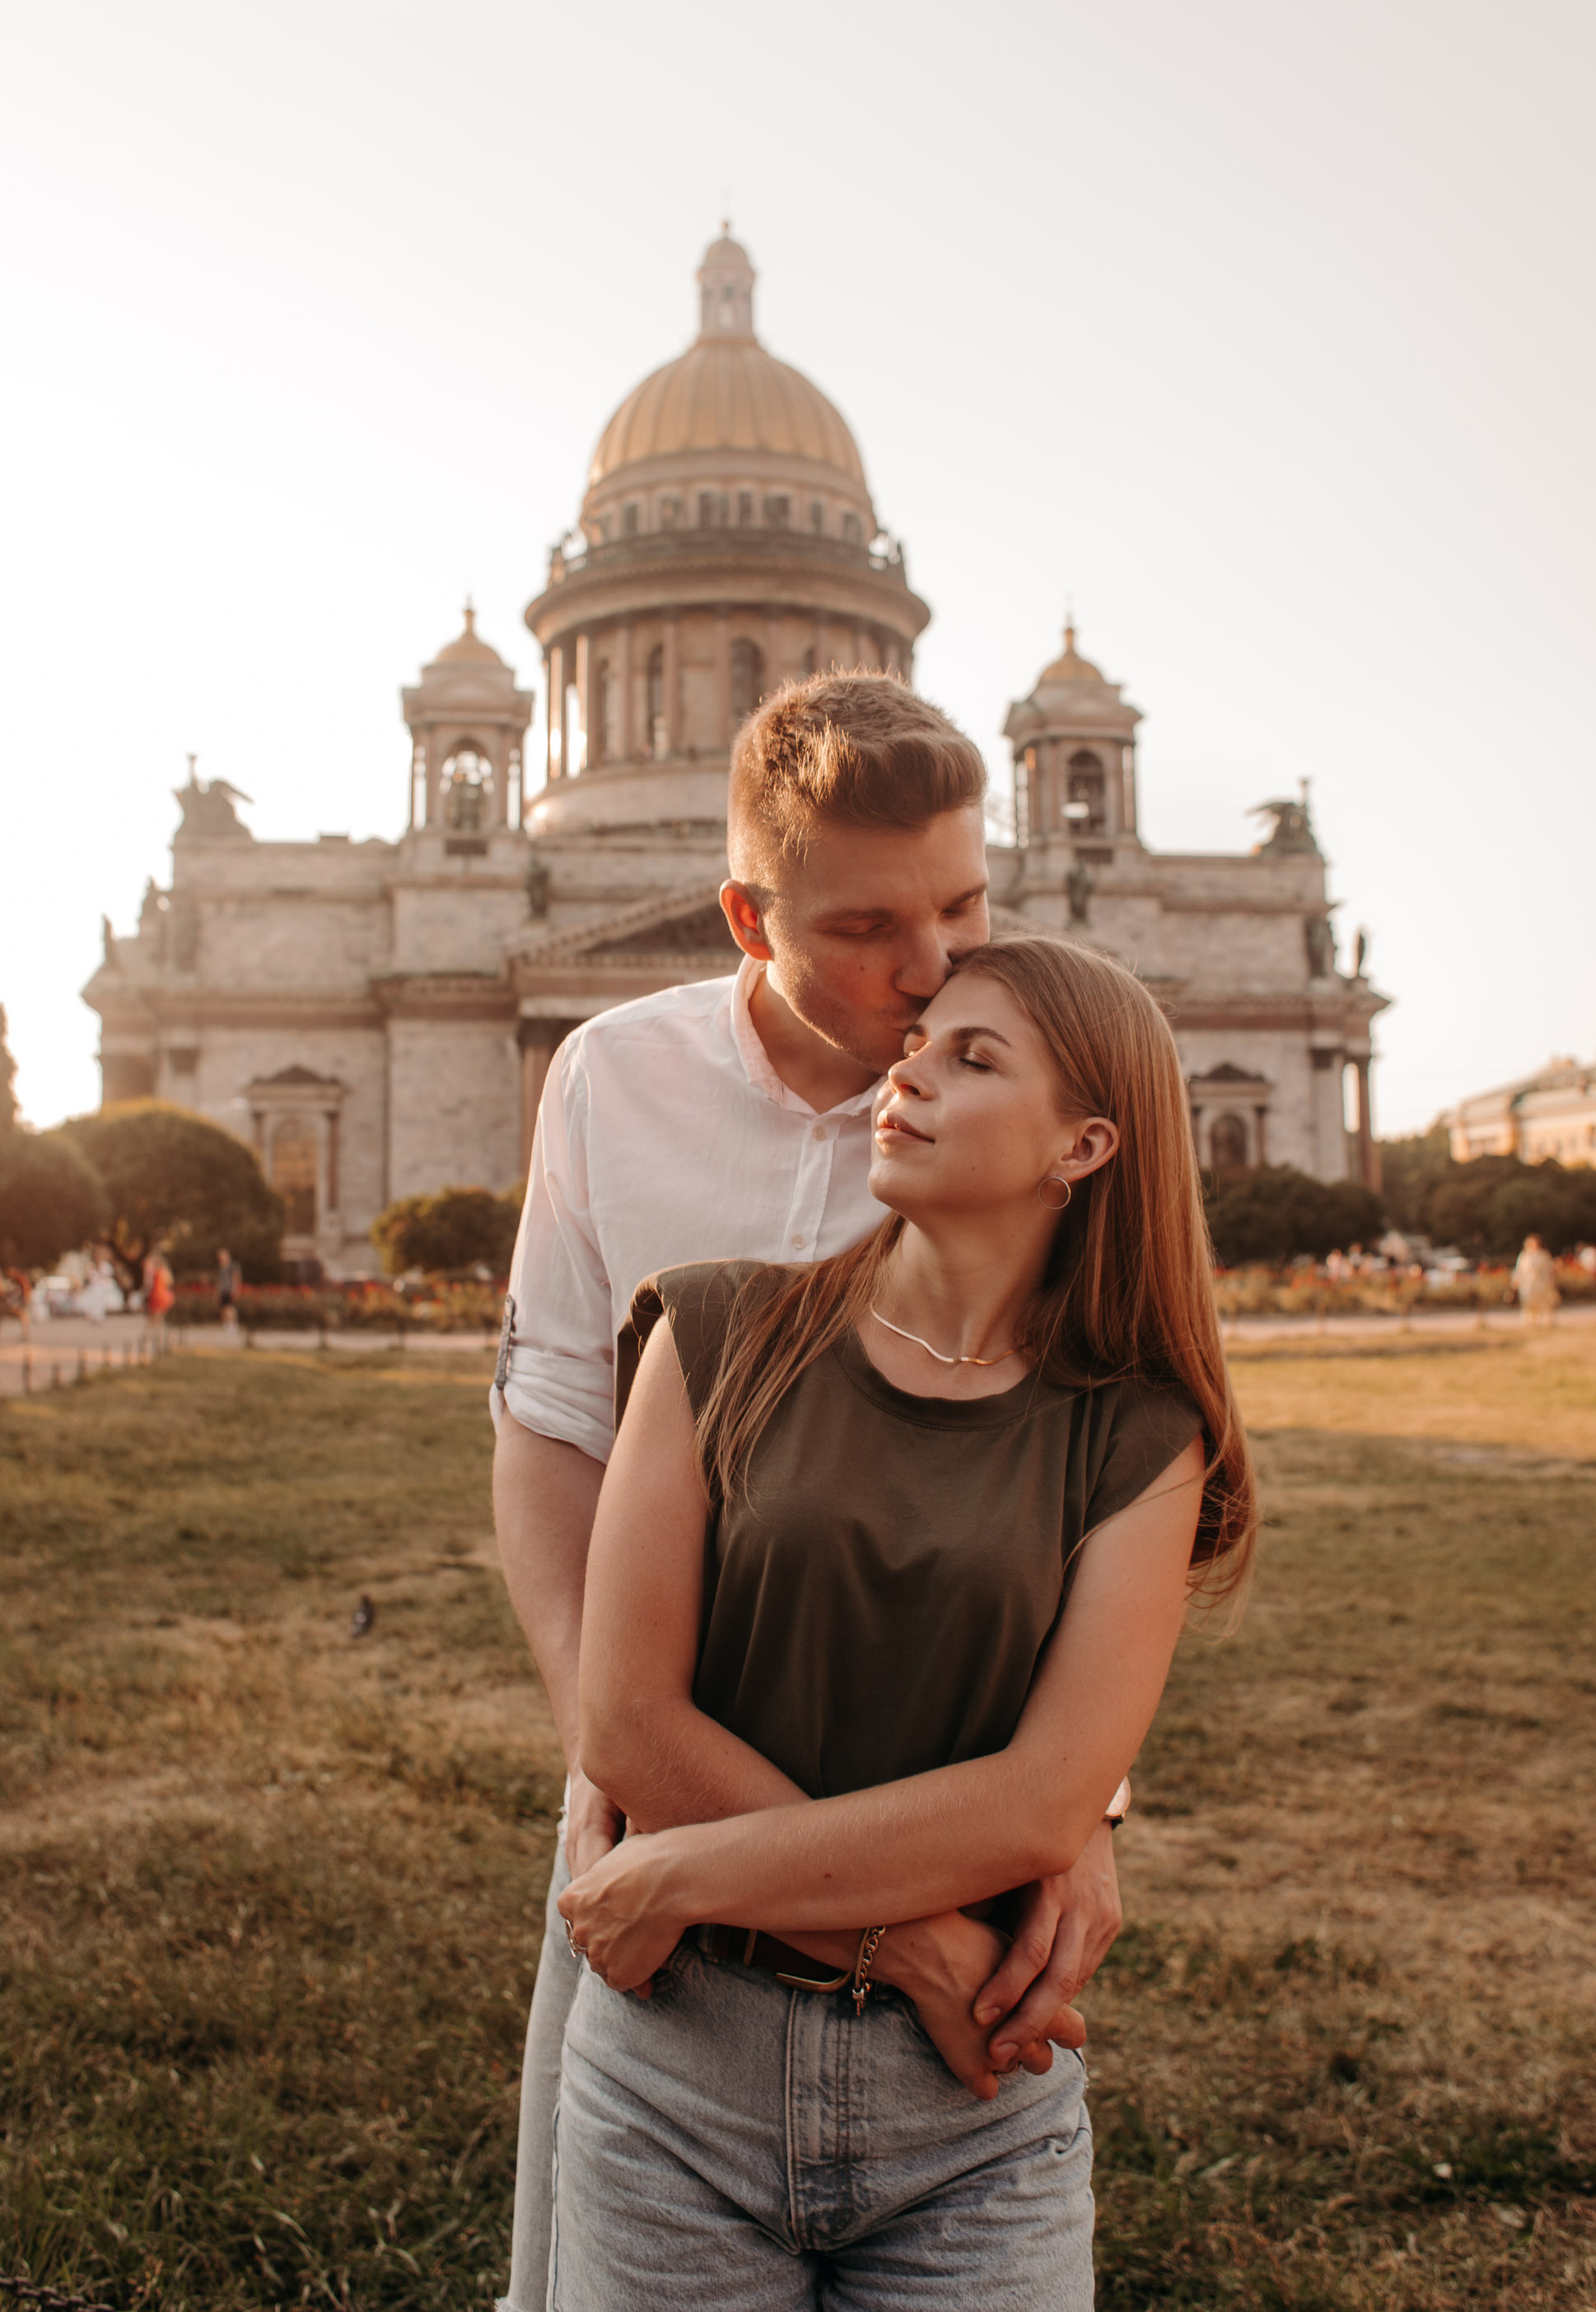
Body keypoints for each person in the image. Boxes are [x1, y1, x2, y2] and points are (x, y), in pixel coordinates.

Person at [493, 674, 1134, 2311]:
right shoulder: (608, 1076)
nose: (927, 974)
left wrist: (1083, 1810)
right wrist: (611, 1762)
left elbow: (1075, 1464)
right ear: (742, 912)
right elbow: (547, 1429)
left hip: (938, 1786)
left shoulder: (1002, 1096)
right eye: (862, 929)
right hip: (668, 1811)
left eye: (963, 907)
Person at [554, 936, 1256, 2307]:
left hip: (972, 2123)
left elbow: (1046, 1803)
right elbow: (628, 1726)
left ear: (1086, 1144)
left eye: (973, 1056)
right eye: (920, 1041)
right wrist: (917, 1951)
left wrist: (682, 1875)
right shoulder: (711, 1329)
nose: (908, 1068)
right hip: (678, 2083)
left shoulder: (1143, 1437)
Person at [1513, 1233, 1558, 1326]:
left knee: (1543, 1302)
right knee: (1528, 1302)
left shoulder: (1543, 1255)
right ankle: (1530, 1321)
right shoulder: (1524, 1256)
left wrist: (1550, 1281)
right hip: (1527, 1284)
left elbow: (1549, 1269)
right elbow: (1519, 1270)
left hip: (1540, 1283)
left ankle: (1546, 1321)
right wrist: (1515, 1282)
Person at [216, 1245, 240, 1329]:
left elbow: (235, 1278)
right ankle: (225, 1323)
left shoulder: (232, 1266)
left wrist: (234, 1289)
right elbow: (219, 1280)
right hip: (222, 1290)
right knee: (223, 1308)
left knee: (230, 1307)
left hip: (229, 1289)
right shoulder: (221, 1267)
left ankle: (233, 1324)